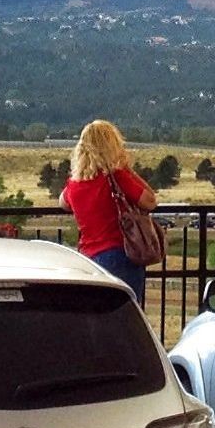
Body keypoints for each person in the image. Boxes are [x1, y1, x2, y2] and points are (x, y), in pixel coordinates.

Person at [62, 119, 157, 299]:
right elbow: (150, 201)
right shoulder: (117, 177)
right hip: (119, 253)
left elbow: (63, 203)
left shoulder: (74, 184)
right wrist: (128, 170)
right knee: (126, 314)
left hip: (88, 258)